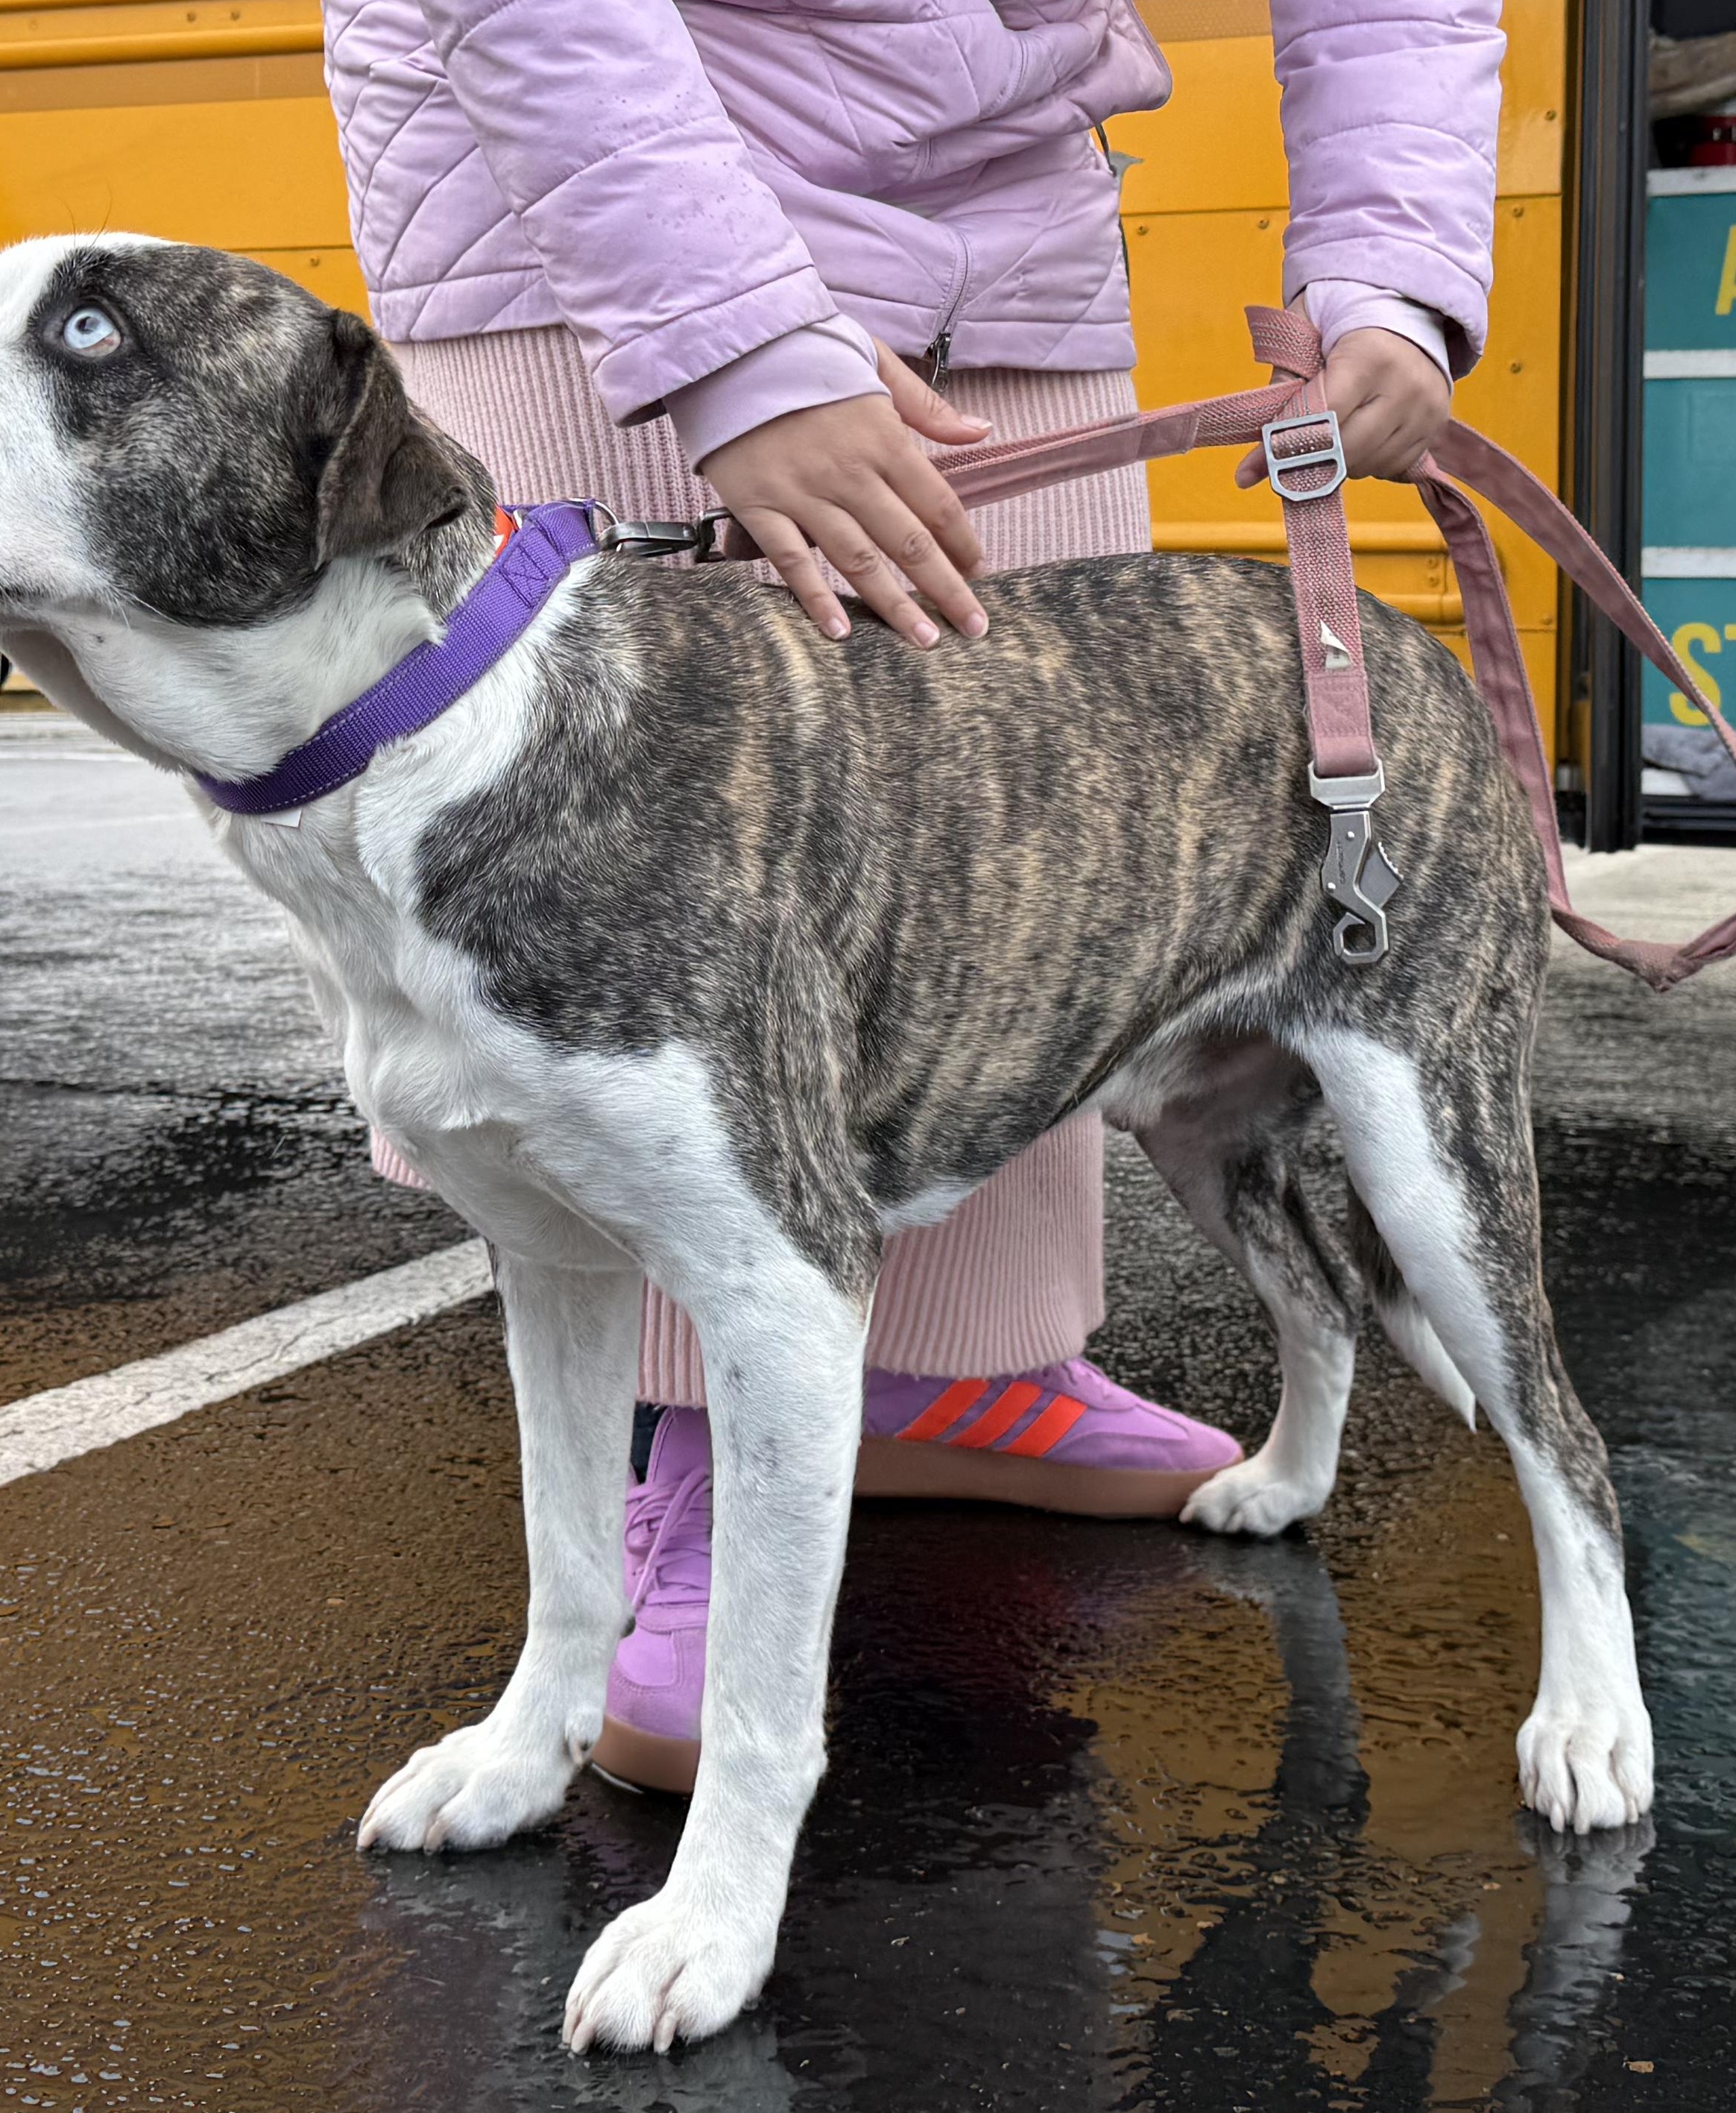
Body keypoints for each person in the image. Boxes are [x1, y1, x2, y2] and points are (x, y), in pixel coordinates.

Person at [323, 0, 1503, 1790]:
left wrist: (1396, 270)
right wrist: (731, 351)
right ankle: (700, 1443)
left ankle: (961, 1365)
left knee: (1029, 874)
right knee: (657, 939)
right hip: (602, 204)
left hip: (1009, 224)